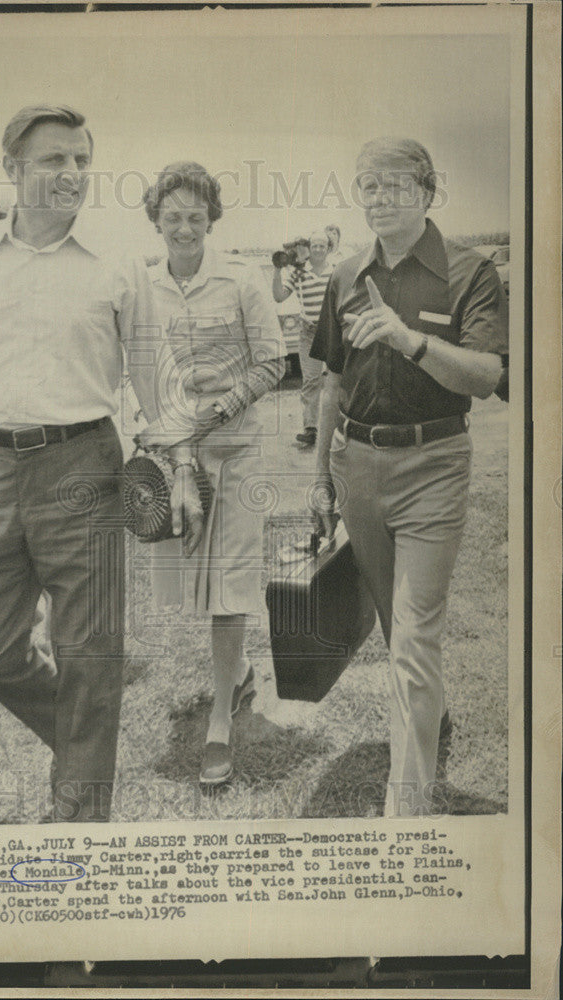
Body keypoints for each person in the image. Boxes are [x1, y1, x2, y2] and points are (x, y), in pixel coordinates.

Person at [0, 105, 201, 823]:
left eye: (81, 160)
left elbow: (159, 383)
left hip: (85, 467)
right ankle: (86, 750)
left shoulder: (119, 266)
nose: (72, 174)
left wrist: (179, 469)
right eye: (54, 160)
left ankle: (80, 816)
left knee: (89, 655)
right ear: (13, 170)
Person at [310, 137, 508, 817]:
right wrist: (318, 478)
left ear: (428, 191)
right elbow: (331, 382)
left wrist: (408, 338)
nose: (379, 197)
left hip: (433, 463)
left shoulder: (469, 271)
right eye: (367, 185)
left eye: (395, 184)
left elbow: (486, 377)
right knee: (399, 631)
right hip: (356, 466)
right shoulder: (341, 277)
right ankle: (432, 713)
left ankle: (406, 812)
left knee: (415, 631)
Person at [142, 161, 287, 786]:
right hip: (178, 461)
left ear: (212, 219)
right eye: (172, 216)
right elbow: (141, 370)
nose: (184, 227)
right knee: (194, 591)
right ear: (156, 220)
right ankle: (241, 673)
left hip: (237, 455)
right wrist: (174, 436)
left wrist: (223, 402)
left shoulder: (242, 277)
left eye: (195, 217)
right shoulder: (144, 287)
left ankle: (220, 724)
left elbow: (276, 361)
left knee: (229, 590)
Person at [272, 231, 333, 448]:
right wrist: (277, 270)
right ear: (309, 248)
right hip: (308, 333)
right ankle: (310, 429)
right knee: (311, 381)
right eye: (314, 245)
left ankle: (341, 427)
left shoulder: (335, 271)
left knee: (339, 379)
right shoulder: (298, 273)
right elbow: (279, 296)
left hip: (332, 331)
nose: (318, 249)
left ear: (328, 249)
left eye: (322, 246)